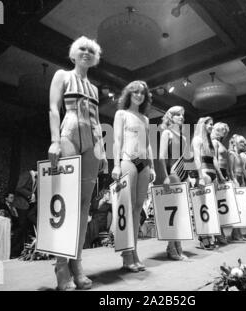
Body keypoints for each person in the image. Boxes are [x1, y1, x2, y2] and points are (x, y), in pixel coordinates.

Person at [48, 36, 107, 290]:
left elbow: (96, 121)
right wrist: (54, 141)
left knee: (84, 205)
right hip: (69, 133)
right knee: (67, 201)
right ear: (73, 53)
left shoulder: (94, 89)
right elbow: (53, 108)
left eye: (91, 50)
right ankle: (61, 267)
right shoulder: (62, 75)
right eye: (82, 48)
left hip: (92, 142)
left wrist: (103, 150)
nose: (86, 52)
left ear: (95, 57)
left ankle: (77, 263)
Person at [112, 80, 156, 272]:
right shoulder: (121, 114)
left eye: (142, 93)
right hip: (128, 160)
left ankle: (134, 252)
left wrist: (152, 167)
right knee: (128, 207)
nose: (139, 95)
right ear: (129, 94)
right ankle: (127, 254)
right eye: (135, 92)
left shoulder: (145, 119)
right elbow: (117, 140)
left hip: (143, 163)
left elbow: (147, 145)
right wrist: (115, 165)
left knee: (139, 209)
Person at [156, 106, 189, 260]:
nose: (181, 117)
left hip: (183, 175)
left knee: (181, 212)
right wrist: (165, 176)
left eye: (182, 115)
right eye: (177, 115)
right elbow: (161, 157)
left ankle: (178, 245)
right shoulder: (166, 133)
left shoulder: (183, 137)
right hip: (172, 173)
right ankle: (171, 246)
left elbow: (185, 159)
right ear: (171, 117)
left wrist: (190, 177)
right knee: (173, 212)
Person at [192, 117, 224, 249]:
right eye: (209, 124)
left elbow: (215, 159)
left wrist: (220, 175)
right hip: (204, 172)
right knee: (202, 207)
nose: (211, 126)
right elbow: (196, 158)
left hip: (213, 173)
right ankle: (203, 237)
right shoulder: (197, 139)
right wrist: (200, 176)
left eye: (212, 124)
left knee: (211, 207)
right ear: (203, 125)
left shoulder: (210, 141)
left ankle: (210, 234)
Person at [211, 122, 232, 244]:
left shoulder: (219, 142)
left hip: (223, 173)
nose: (224, 132)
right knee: (216, 204)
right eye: (222, 129)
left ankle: (220, 232)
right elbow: (214, 159)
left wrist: (227, 174)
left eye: (225, 130)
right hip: (218, 173)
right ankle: (217, 233)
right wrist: (219, 175)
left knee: (220, 205)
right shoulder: (214, 142)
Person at [228, 134, 246, 240]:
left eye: (244, 143)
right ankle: (235, 233)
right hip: (235, 179)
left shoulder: (240, 155)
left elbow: (244, 169)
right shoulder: (231, 154)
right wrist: (234, 180)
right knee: (235, 208)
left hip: (241, 180)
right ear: (235, 143)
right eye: (241, 142)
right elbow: (230, 169)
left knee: (240, 207)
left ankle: (237, 232)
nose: (244, 144)